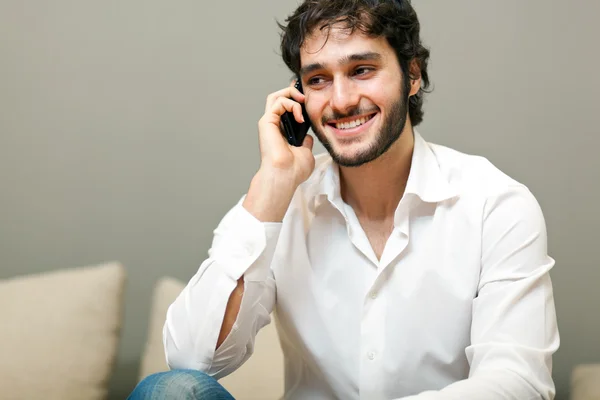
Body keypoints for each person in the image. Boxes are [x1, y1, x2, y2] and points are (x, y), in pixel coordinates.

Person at [129, 0, 560, 398]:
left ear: (413, 75)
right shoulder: (282, 202)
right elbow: (191, 360)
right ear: (300, 96)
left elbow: (516, 383)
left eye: (362, 70)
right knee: (172, 391)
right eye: (318, 79)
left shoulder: (495, 203)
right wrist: (272, 185)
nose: (340, 100)